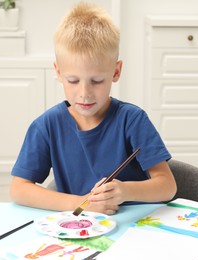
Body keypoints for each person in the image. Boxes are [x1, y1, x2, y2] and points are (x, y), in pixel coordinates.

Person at [10, 2, 176, 215]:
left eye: (96, 80)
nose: (84, 93)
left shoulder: (132, 120)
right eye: (73, 80)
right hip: (83, 230)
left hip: (137, 229)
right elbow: (19, 189)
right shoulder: (46, 126)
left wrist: (124, 191)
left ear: (116, 72)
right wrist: (81, 203)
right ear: (58, 73)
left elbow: (167, 186)